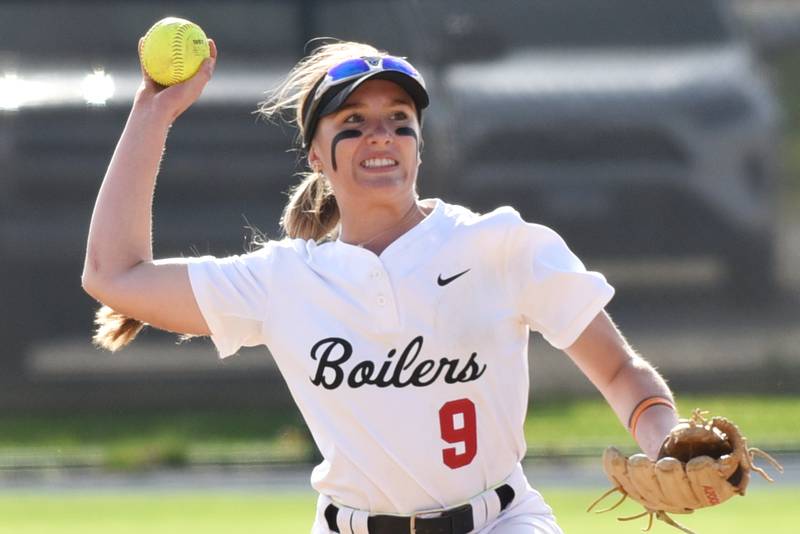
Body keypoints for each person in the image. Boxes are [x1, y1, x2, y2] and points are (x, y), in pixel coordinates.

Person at [82, 38, 680, 534]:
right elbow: (114, 276)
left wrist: (669, 440)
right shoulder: (285, 280)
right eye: (354, 121)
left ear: (419, 144)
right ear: (316, 154)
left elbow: (622, 374)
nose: (381, 135)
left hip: (501, 523)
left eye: (400, 120)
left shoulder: (500, 245)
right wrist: (152, 112)